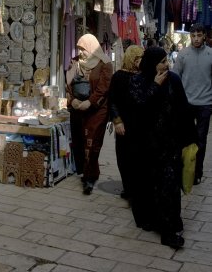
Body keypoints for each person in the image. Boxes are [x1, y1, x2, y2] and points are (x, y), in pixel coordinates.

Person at [128, 47, 197, 248]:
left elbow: (184, 109)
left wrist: (190, 140)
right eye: (162, 61)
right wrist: (155, 87)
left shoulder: (173, 80)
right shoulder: (138, 81)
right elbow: (137, 109)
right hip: (146, 145)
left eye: (167, 60)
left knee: (169, 186)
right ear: (151, 64)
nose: (166, 65)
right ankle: (151, 219)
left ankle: (169, 229)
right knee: (149, 185)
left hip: (170, 144)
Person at [66, 34, 113, 195]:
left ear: (91, 48)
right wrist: (71, 100)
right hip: (78, 109)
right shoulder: (75, 62)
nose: (81, 52)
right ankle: (89, 172)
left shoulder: (105, 63)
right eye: (79, 48)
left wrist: (90, 102)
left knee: (92, 144)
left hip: (97, 110)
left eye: (83, 49)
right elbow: (69, 84)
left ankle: (89, 179)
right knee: (80, 142)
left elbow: (104, 88)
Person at [173, 23, 212, 185]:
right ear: (190, 36)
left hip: (205, 104)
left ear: (204, 36)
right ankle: (182, 169)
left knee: (201, 140)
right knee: (183, 139)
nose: (196, 39)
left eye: (199, 35)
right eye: (193, 35)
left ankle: (197, 172)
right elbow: (175, 78)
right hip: (186, 104)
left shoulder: (211, 54)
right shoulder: (183, 55)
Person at [108, 45, 144, 200]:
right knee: (123, 158)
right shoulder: (119, 76)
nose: (140, 61)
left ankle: (136, 189)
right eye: (137, 58)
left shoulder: (145, 76)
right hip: (123, 123)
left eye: (141, 58)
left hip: (141, 125)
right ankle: (128, 188)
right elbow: (112, 101)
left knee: (139, 158)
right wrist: (117, 121)